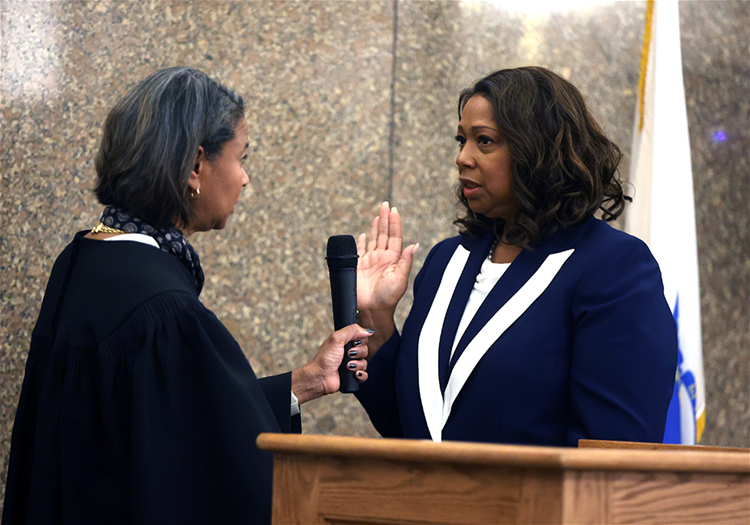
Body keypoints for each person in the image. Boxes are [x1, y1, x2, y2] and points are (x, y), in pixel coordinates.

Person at [2, 66, 371, 525]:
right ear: (197, 165)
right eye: (242, 158)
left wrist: (307, 381)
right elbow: (216, 474)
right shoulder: (166, 312)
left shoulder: (83, 259)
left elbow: (175, 421)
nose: (244, 179)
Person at [354, 66, 678, 446]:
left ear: (538, 150)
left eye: (484, 141)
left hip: (539, 506)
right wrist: (376, 317)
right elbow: (409, 425)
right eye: (462, 141)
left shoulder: (612, 268)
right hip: (422, 503)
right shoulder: (447, 262)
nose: (462, 158)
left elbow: (616, 452)